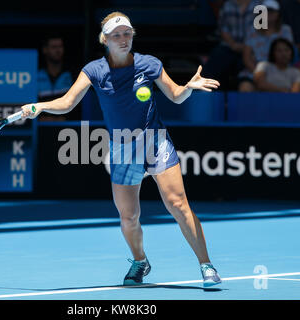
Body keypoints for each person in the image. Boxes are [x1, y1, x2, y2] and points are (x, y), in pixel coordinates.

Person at [21, 12, 222, 287]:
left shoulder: (149, 64)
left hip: (154, 141)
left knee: (178, 204)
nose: (123, 39)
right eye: (116, 35)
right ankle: (140, 261)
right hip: (122, 148)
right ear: (105, 39)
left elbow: (175, 95)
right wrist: (41, 106)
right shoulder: (94, 70)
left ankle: (206, 264)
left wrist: (189, 87)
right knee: (129, 217)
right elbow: (68, 103)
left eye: (127, 33)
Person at [202, 0, 261, 90]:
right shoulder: (227, 5)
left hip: (252, 47)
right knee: (216, 59)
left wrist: (247, 46)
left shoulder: (260, 5)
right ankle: (206, 95)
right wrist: (233, 44)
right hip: (230, 46)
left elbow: (262, 30)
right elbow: (223, 29)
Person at [238, 0, 295, 91]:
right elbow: (247, 58)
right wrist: (260, 75)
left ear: (278, 14)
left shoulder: (285, 30)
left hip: (281, 72)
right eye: (265, 11)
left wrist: (274, 75)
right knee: (245, 88)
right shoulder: (252, 30)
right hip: (254, 71)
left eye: (272, 11)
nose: (268, 14)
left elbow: (288, 54)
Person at [37, 36, 74, 121]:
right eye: (54, 47)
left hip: (68, 128)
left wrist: (65, 118)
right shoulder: (37, 75)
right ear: (45, 50)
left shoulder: (72, 74)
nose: (58, 50)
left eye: (60, 46)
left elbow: (77, 104)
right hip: (40, 126)